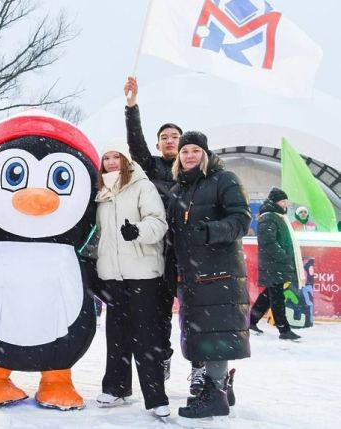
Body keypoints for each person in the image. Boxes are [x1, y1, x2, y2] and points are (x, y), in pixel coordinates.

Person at [166, 131, 251, 422]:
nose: (190, 155)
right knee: (202, 333)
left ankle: (214, 395)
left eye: (195, 150)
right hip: (191, 275)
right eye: (185, 151)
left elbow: (241, 220)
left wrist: (211, 231)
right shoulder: (178, 190)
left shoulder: (223, 180)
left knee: (215, 333)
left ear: (205, 153)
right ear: (178, 157)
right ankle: (221, 388)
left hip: (220, 272)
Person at [124, 76, 200, 393]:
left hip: (192, 257)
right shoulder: (151, 168)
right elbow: (135, 144)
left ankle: (201, 371)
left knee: (198, 318)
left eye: (175, 137)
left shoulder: (197, 173)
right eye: (165, 137)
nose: (170, 141)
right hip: (159, 255)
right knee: (159, 317)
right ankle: (161, 362)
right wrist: (131, 107)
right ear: (159, 145)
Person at [94, 140, 170, 418]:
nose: (112, 162)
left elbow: (158, 223)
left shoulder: (142, 186)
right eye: (107, 158)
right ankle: (116, 388)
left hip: (142, 274)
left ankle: (155, 396)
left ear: (126, 160)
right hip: (112, 275)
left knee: (145, 338)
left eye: (116, 157)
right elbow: (98, 234)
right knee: (115, 335)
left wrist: (137, 231)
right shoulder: (101, 192)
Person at [250, 187, 302, 341]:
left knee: (269, 295)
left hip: (276, 264)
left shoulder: (276, 216)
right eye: (283, 201)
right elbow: (268, 241)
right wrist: (283, 255)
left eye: (286, 201)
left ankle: (250, 321)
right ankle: (284, 330)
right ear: (275, 202)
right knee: (276, 297)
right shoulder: (269, 217)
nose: (285, 204)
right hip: (274, 264)